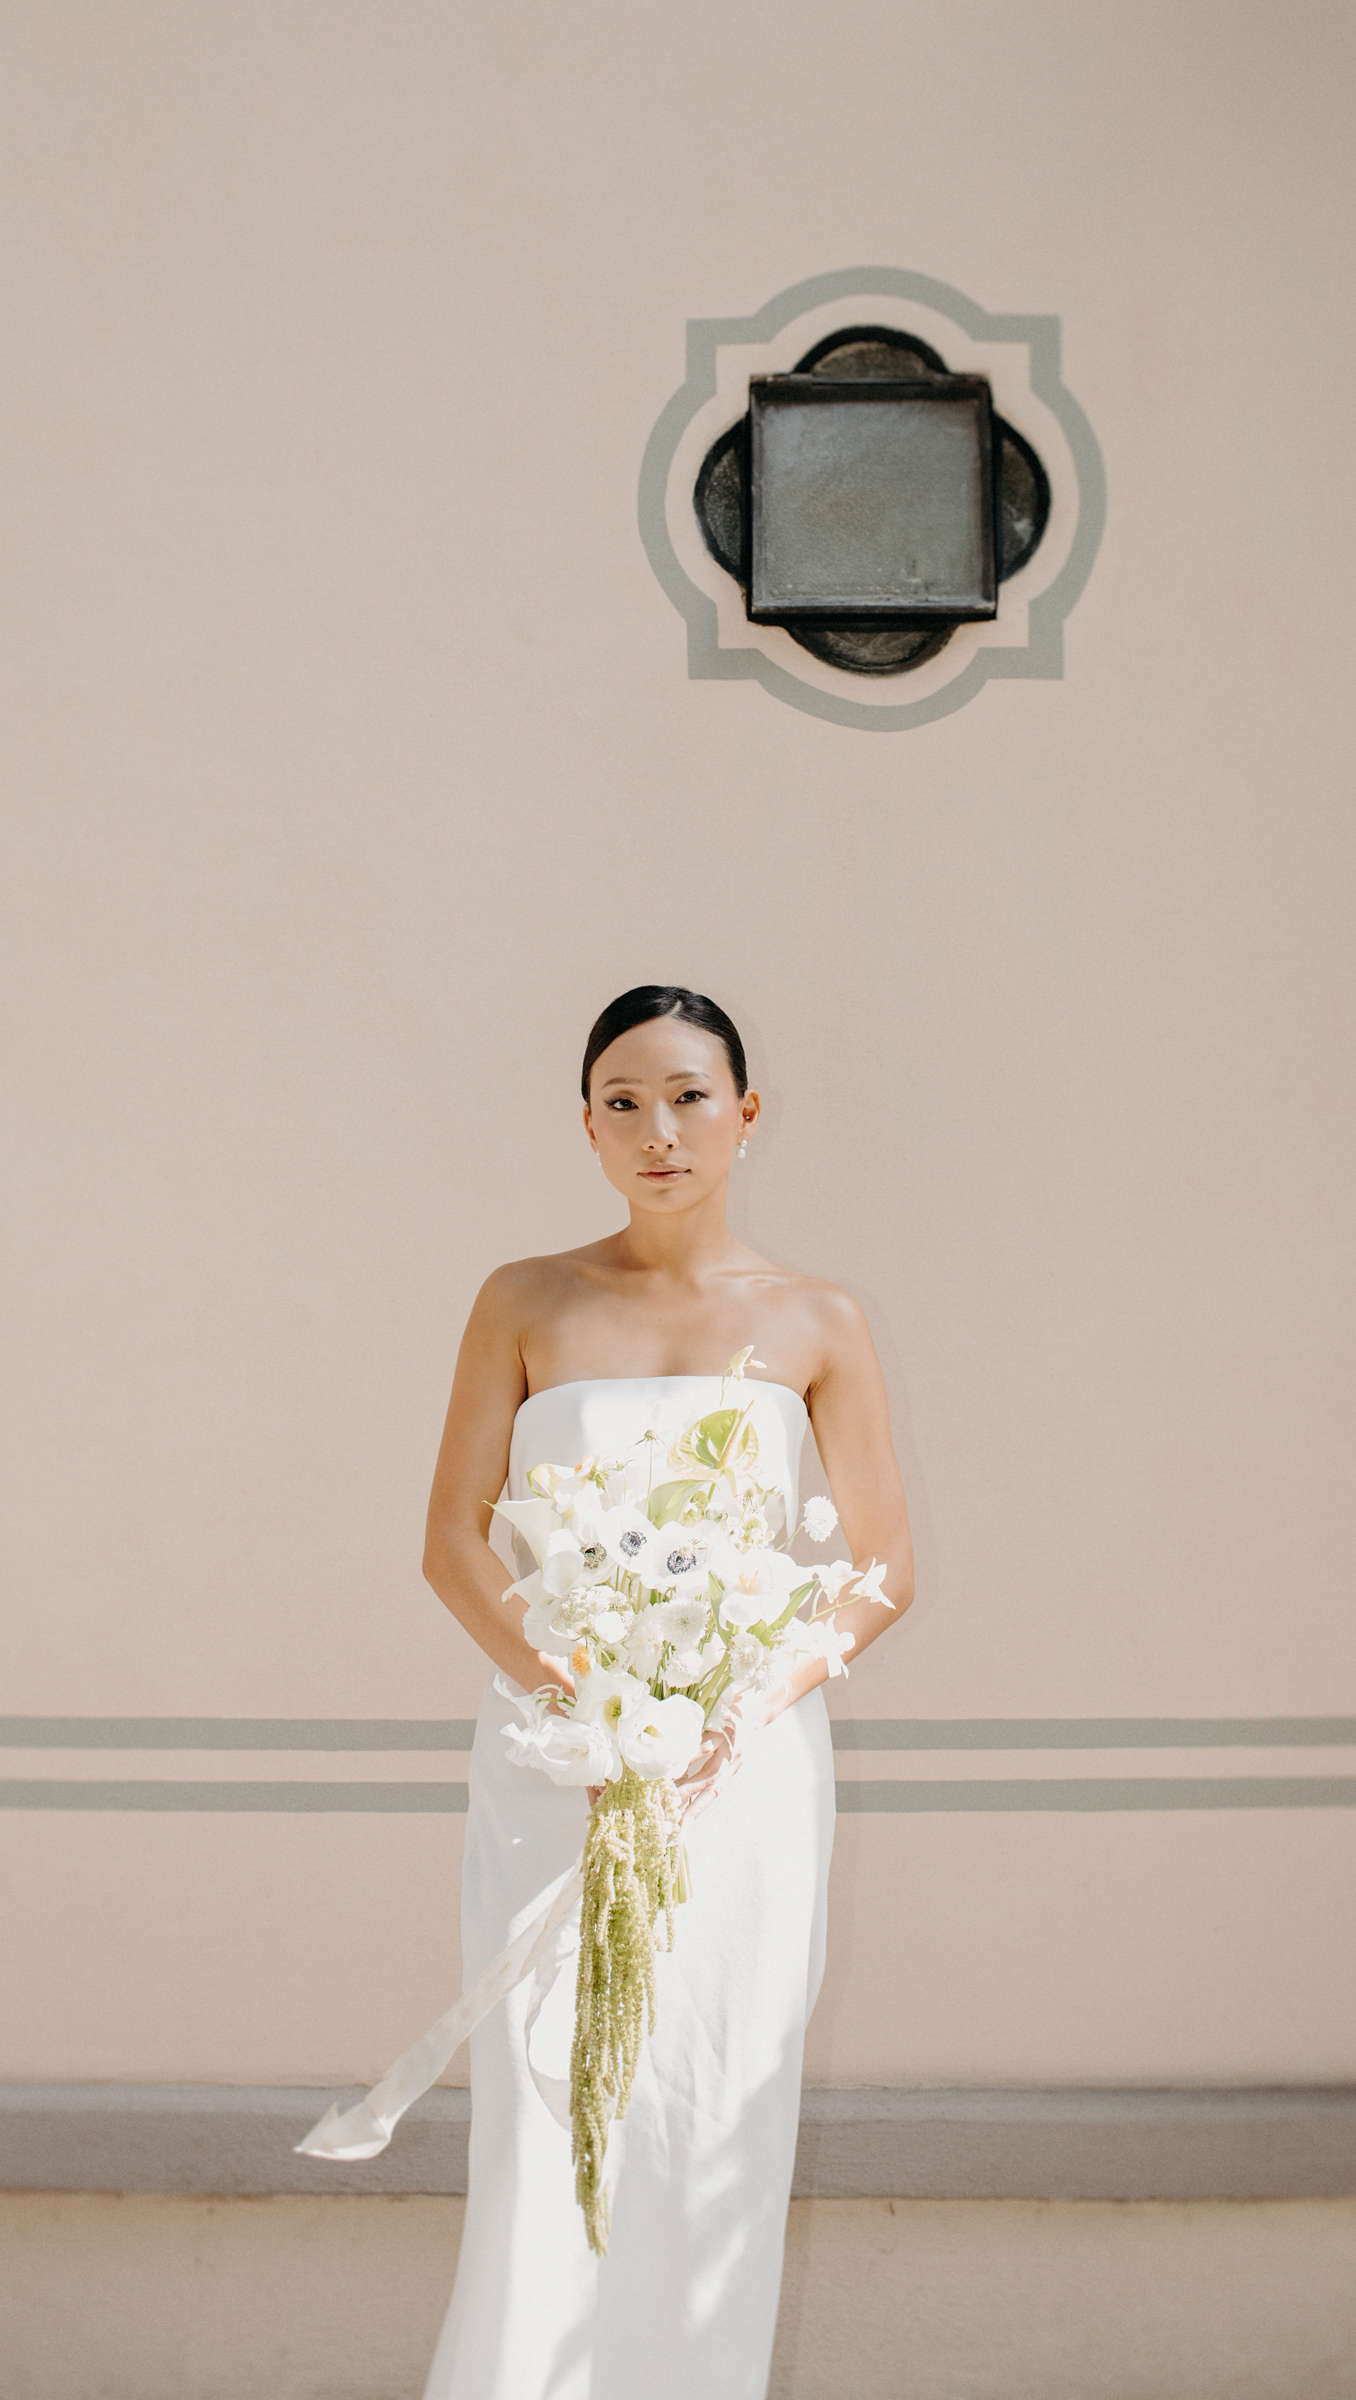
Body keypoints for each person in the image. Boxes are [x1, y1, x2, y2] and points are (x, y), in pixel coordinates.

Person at [419, 984, 913, 2400]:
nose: (659, 1130)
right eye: (622, 1102)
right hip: (554, 1760)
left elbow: (881, 1569)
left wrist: (746, 1706)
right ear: (586, 1126)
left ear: (746, 1116)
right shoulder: (524, 1298)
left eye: (689, 1096)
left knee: (709, 2119)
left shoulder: (818, 1317)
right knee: (547, 2107)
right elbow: (453, 1542)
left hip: (738, 1772)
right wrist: (579, 1699)